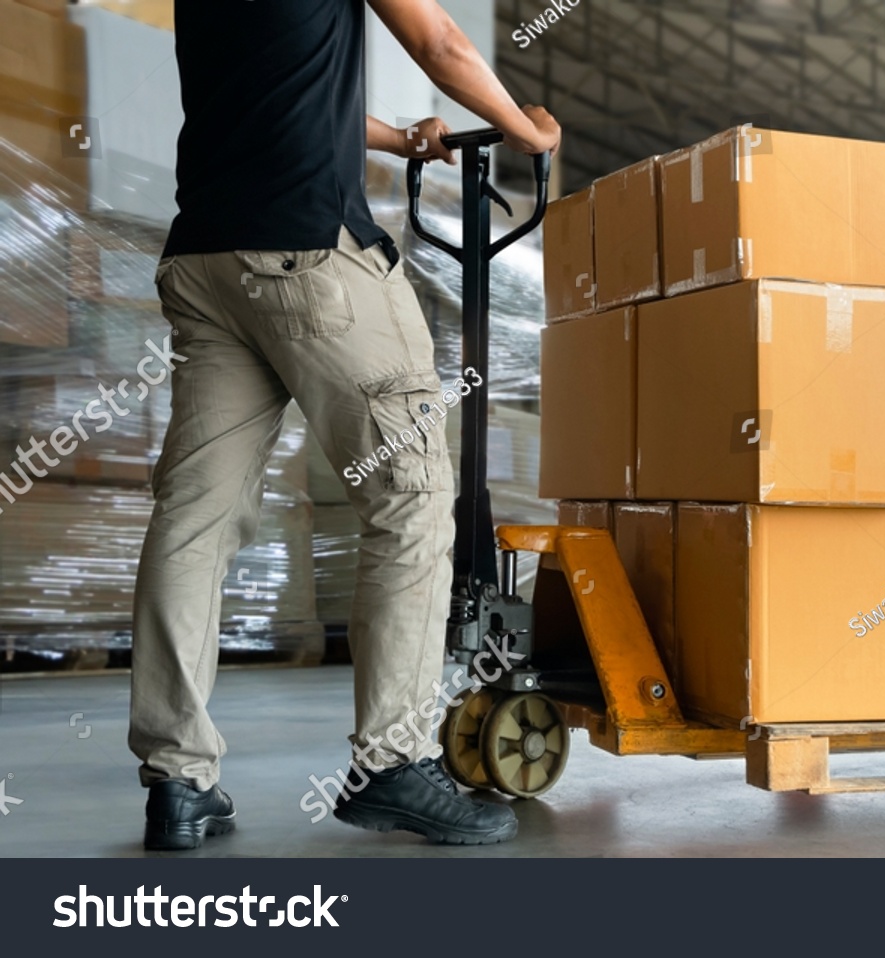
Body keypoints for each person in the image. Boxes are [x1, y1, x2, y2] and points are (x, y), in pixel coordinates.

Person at [130, 0, 560, 851]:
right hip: (308, 257)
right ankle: (392, 764)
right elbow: (441, 42)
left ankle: (177, 780)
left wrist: (399, 142)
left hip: (206, 260)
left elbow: (266, 95)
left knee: (193, 523)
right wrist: (528, 130)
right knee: (412, 497)